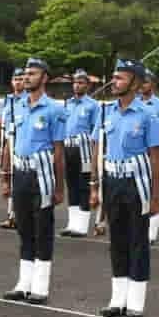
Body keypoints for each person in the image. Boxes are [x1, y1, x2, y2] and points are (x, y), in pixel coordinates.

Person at [91, 59, 159, 317]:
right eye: (114, 76)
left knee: (137, 242)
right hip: (112, 181)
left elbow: (155, 158)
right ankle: (117, 299)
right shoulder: (105, 112)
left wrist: (155, 197)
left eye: (120, 78)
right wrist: (94, 185)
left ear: (135, 83)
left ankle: (135, 302)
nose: (114, 81)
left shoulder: (147, 115)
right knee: (117, 240)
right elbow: (98, 149)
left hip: (137, 183)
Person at [2, 57, 66, 304]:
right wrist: (7, 175)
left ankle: (40, 286)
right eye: (26, 73)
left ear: (45, 78)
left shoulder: (54, 109)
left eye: (33, 73)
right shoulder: (17, 106)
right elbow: (11, 142)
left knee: (43, 230)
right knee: (24, 228)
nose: (27, 77)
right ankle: (23, 284)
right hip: (21, 172)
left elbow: (58, 150)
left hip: (43, 174)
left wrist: (59, 187)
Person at [61, 69, 97, 237]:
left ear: (88, 86)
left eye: (81, 82)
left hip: (84, 150)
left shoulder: (93, 106)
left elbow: (96, 132)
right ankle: (72, 224)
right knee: (71, 185)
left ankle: (82, 226)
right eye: (75, 82)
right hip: (68, 147)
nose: (77, 85)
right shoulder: (67, 104)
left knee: (84, 185)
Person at [138, 70, 159, 244]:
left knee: (153, 191)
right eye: (141, 82)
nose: (143, 85)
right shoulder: (134, 103)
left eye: (146, 82)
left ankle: (151, 233)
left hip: (153, 153)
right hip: (137, 154)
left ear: (153, 84)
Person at [0, 68, 25, 229]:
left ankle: (18, 215)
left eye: (21, 79)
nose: (18, 82)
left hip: (21, 142)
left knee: (19, 178)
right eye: (16, 79)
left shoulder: (28, 100)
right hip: (8, 142)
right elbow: (0, 122)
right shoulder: (7, 100)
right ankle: (11, 214)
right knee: (7, 176)